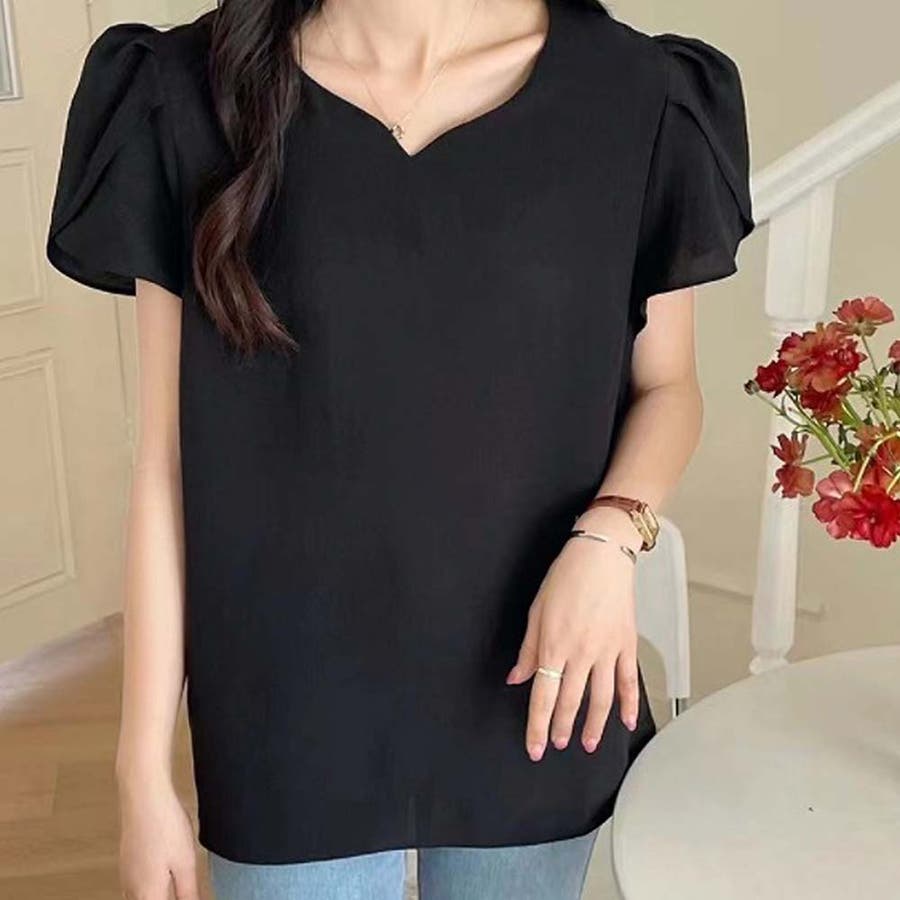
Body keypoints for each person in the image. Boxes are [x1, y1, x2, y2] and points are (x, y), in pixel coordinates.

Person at [46, 0, 754, 897]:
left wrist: (611, 538)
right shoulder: (183, 93)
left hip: (538, 682)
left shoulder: (637, 94)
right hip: (283, 709)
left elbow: (669, 388)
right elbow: (166, 466)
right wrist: (140, 768)